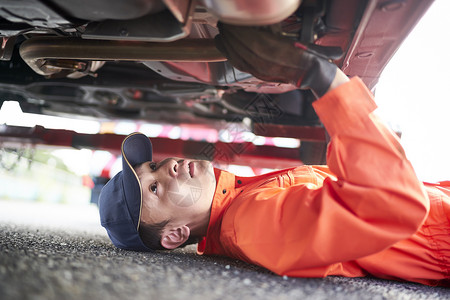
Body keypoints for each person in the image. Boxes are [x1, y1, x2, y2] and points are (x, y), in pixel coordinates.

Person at [98, 24, 450, 287]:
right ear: (174, 235)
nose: (169, 167)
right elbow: (394, 204)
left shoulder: (239, 201)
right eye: (155, 188)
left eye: (154, 165)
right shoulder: (251, 223)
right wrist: (320, 76)